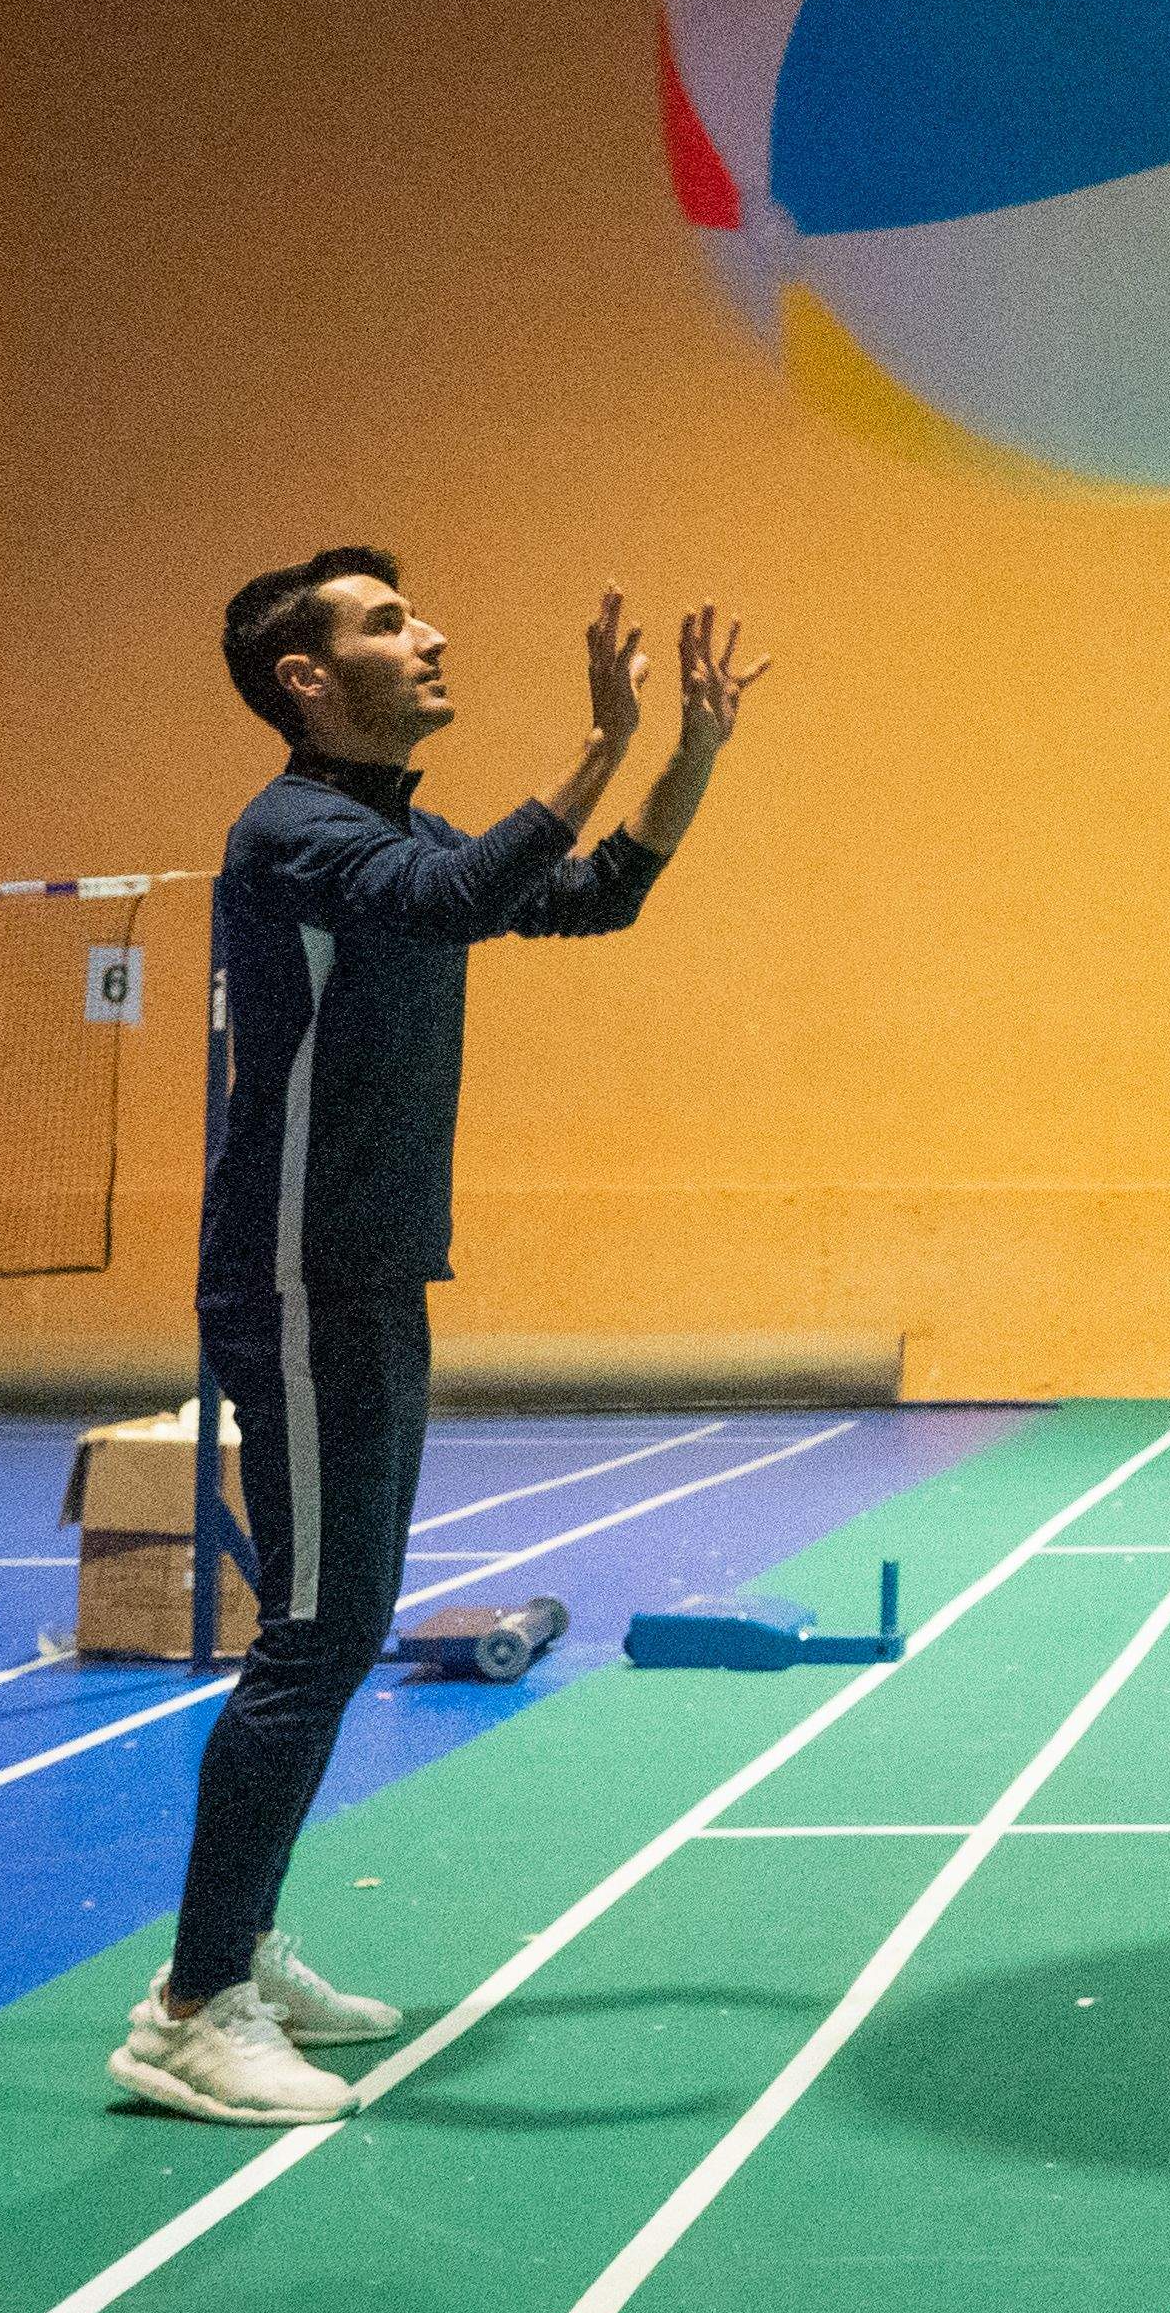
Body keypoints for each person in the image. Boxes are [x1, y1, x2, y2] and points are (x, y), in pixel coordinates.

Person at [112, 550, 764, 2126]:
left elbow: (589, 896)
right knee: (313, 1635)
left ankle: (240, 1944)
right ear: (306, 679)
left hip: (376, 1272)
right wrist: (597, 742)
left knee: (342, 1624)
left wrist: (687, 755)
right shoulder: (292, 834)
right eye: (387, 622)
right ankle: (190, 2009)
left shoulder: (392, 830)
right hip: (296, 1279)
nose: (431, 633)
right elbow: (460, 902)